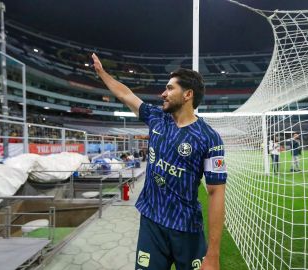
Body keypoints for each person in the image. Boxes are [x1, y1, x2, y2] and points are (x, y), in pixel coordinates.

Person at [92, 53, 227, 270]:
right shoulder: (156, 118)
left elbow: (216, 192)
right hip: (152, 221)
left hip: (186, 227)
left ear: (188, 95)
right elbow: (126, 94)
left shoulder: (210, 138)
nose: (162, 93)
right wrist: (102, 73)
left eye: (170, 88)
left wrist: (213, 254)